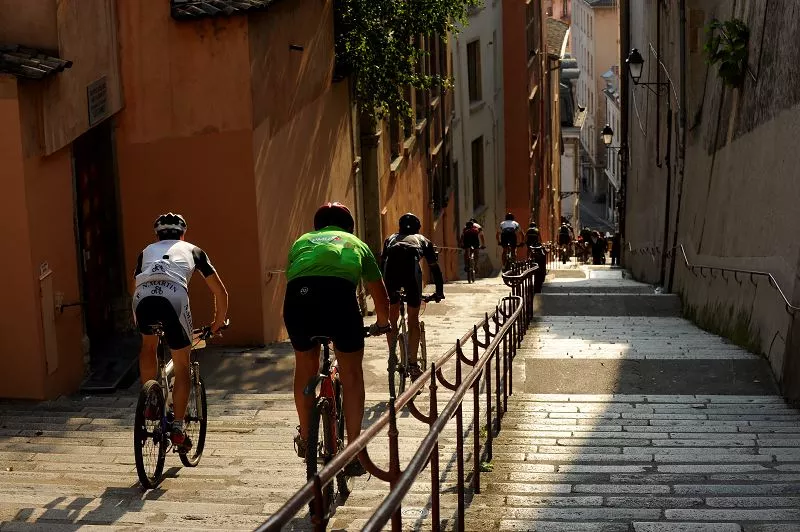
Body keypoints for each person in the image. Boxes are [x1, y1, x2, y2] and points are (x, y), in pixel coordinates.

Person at [284, 202, 391, 476]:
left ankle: (306, 436)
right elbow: (379, 293)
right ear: (349, 226)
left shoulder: (301, 242)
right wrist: (382, 323)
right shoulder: (356, 242)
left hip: (299, 300)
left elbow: (294, 276)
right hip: (339, 301)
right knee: (352, 374)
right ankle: (354, 450)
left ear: (317, 226)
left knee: (305, 367)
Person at [133, 212, 229, 451]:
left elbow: (134, 283)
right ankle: (177, 426)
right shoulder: (194, 250)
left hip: (142, 297)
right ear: (183, 233)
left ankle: (150, 400)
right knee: (182, 363)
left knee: (148, 346)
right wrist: (217, 323)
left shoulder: (146, 251)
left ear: (157, 235)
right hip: (173, 298)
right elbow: (220, 292)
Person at [381, 213, 445, 381]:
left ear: (399, 227)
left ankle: (392, 355)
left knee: (391, 320)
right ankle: (413, 364)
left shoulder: (390, 239)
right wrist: (439, 291)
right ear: (418, 228)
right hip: (411, 276)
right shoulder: (423, 240)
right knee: (413, 320)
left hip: (390, 277)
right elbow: (435, 268)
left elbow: (382, 265)